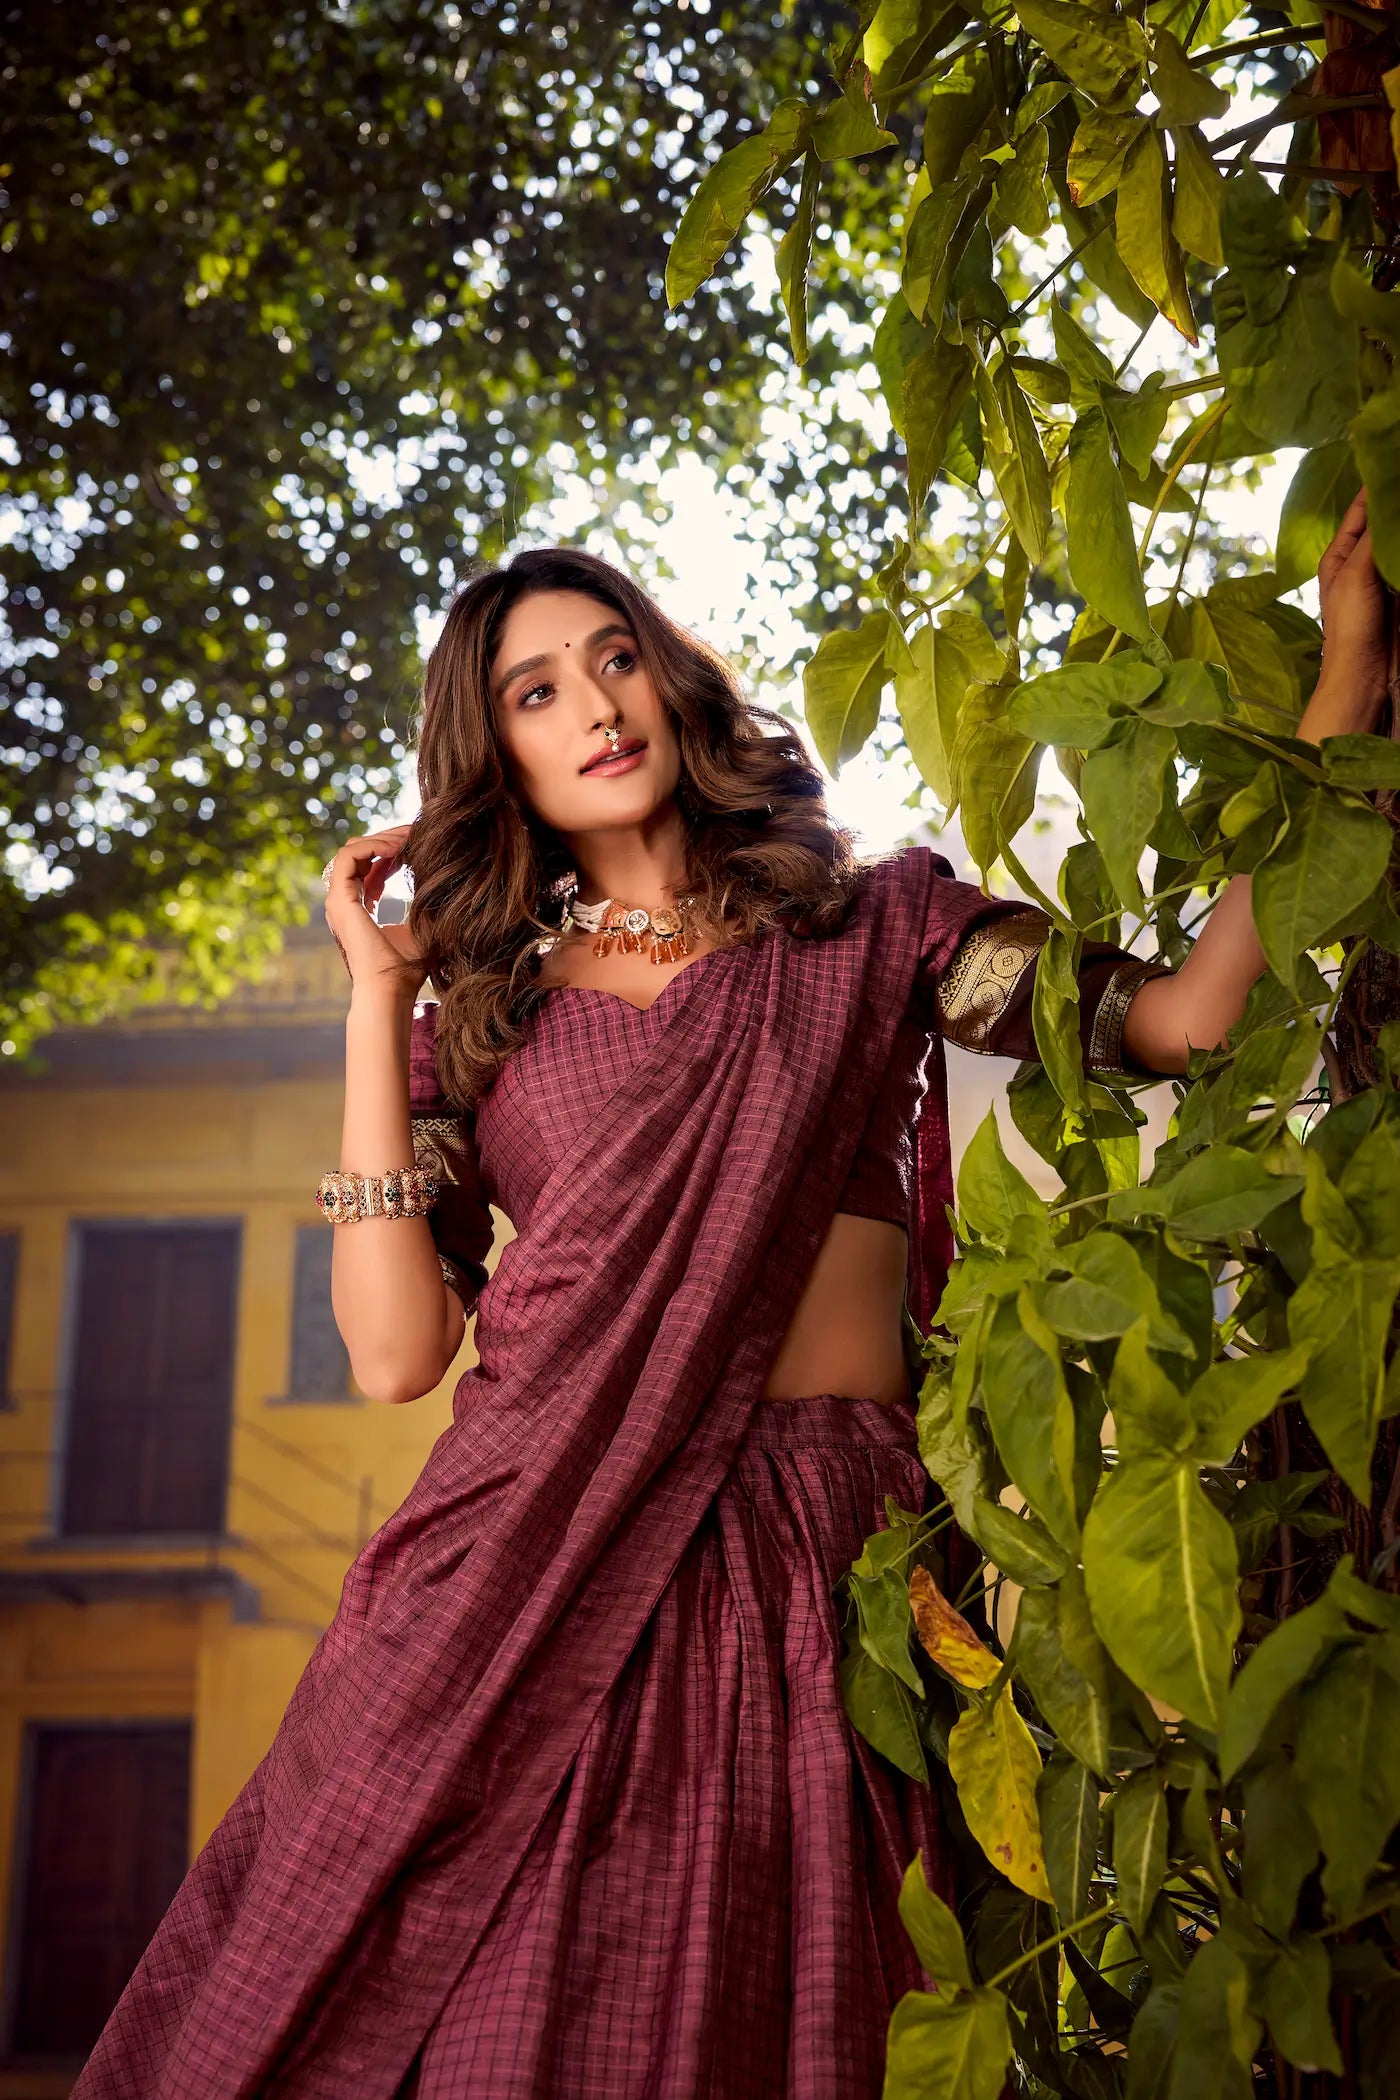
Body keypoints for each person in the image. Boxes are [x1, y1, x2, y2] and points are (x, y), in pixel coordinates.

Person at [75, 496, 1387, 2099]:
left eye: (615, 657)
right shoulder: (483, 1019)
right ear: (499, 756)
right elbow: (396, 1351)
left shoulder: (867, 924)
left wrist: (1343, 683)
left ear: (671, 677)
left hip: (822, 1561)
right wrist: (376, 1001)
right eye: (537, 691)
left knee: (812, 2022)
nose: (596, 706)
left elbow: (1183, 1021)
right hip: (527, 1567)